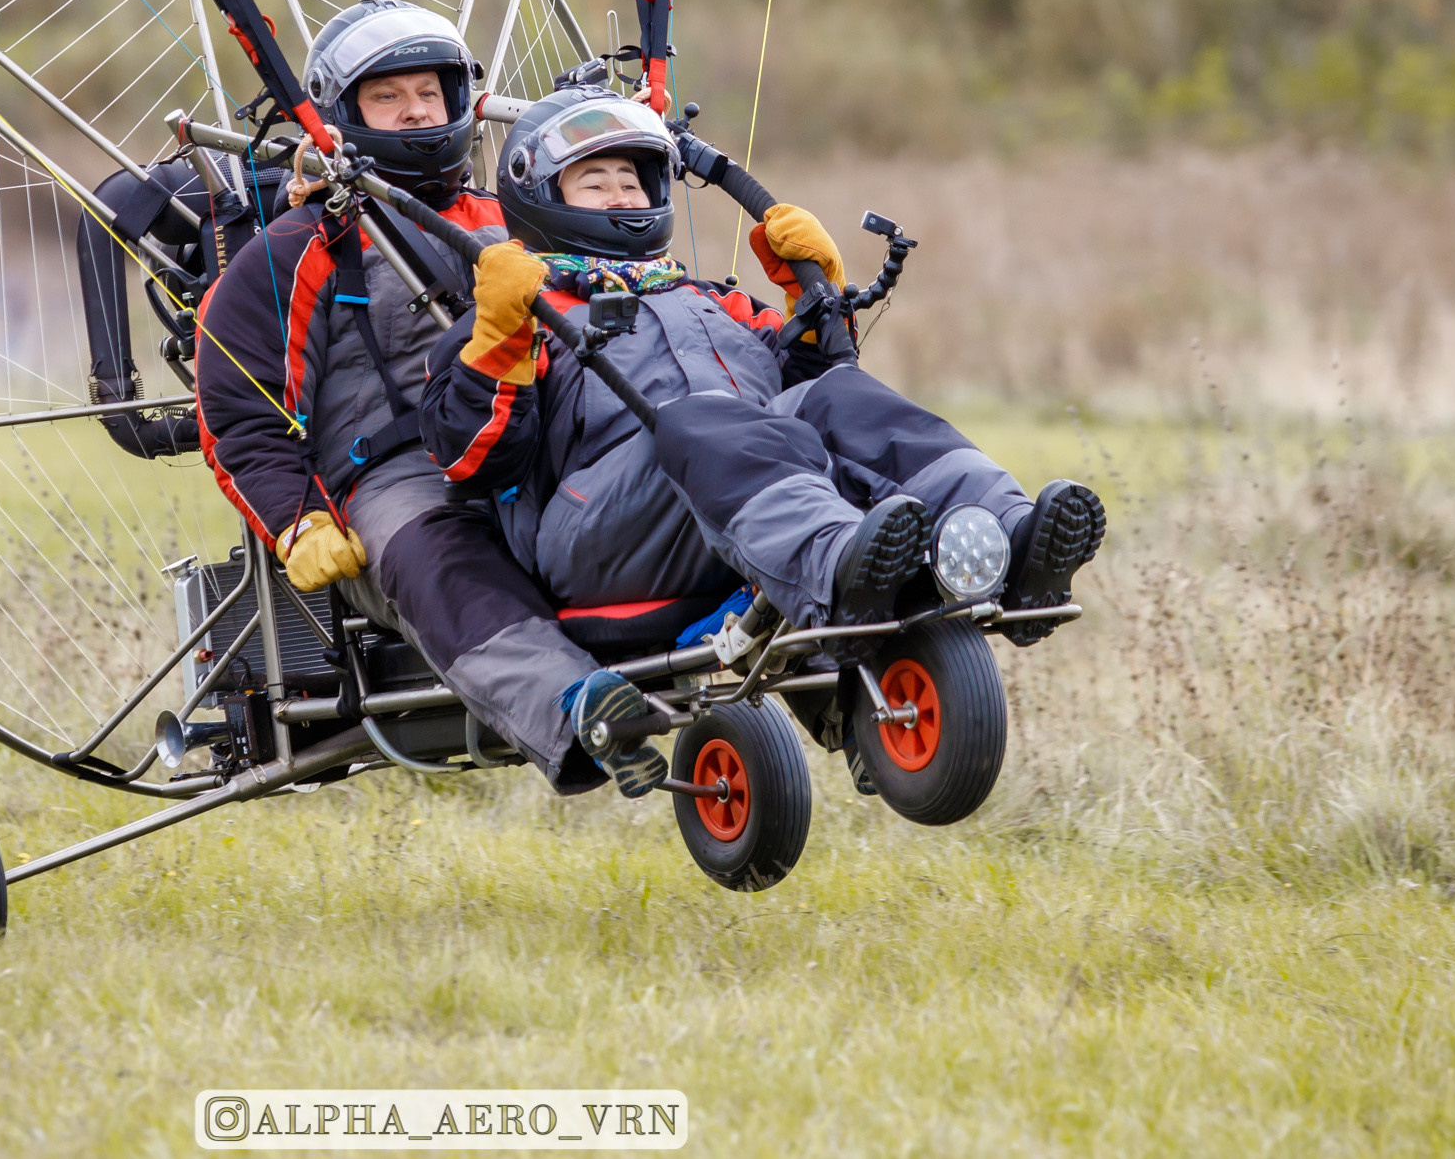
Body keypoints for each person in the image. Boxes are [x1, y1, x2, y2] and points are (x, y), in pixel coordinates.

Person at [417, 87, 1106, 795]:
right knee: (700, 416)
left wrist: (818, 306)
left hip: (723, 518)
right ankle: (837, 560)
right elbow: (469, 456)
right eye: (596, 181)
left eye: (632, 178)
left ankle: (1013, 538)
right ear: (538, 195)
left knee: (835, 394)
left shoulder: (708, 298)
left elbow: (801, 391)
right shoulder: (507, 317)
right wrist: (501, 334)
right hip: (599, 546)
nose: (621, 194)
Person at [191, 0, 610, 790]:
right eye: (388, 96)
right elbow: (236, 407)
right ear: (344, 114)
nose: (416, 111)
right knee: (437, 556)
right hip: (397, 481)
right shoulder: (292, 251)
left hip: (533, 438)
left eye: (429, 92)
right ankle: (576, 707)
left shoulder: (511, 218)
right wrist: (296, 518)